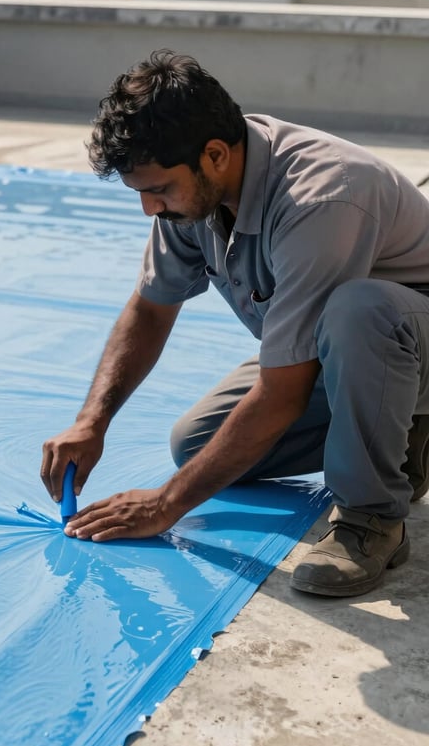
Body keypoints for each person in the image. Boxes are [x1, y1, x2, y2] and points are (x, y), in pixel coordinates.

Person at [40, 49, 429, 598]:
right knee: (196, 448)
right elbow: (151, 308)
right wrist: (91, 421)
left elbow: (281, 392)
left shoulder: (321, 196)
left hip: (408, 333)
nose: (150, 210)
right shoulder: (192, 194)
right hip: (360, 353)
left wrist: (166, 503)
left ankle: (371, 518)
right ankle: (407, 431)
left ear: (216, 154)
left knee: (357, 311)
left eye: (158, 190)